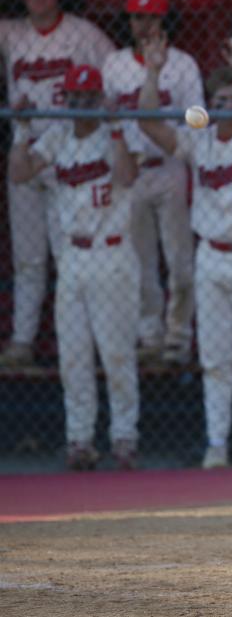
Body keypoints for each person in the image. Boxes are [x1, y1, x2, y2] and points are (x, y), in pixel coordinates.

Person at [138, 34, 232, 468]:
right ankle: (217, 444)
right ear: (209, 103)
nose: (228, 105)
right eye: (219, 98)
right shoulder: (198, 139)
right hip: (211, 257)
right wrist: (152, 71)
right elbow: (147, 121)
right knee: (216, 359)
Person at [9, 65, 140, 471]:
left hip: (112, 253)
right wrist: (21, 129)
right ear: (65, 100)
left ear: (100, 99)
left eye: (89, 98)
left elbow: (125, 175)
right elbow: (18, 173)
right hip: (73, 256)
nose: (82, 106)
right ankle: (79, 439)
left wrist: (116, 127)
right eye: (75, 98)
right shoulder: (58, 135)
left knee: (116, 354)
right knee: (74, 356)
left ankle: (124, 438)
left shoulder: (116, 132)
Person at [0, 0, 115, 367]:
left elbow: (117, 75)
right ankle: (23, 341)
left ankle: (83, 341)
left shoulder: (82, 34)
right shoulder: (12, 33)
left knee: (71, 254)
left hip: (70, 157)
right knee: (29, 257)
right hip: (25, 153)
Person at [102, 0, 201, 365]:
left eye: (152, 17)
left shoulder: (183, 63)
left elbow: (200, 115)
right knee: (138, 261)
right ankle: (149, 333)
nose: (144, 25)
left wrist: (183, 134)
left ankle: (178, 335)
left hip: (170, 165)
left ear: (164, 20)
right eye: (137, 17)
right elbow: (107, 116)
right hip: (132, 170)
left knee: (179, 260)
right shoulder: (114, 64)